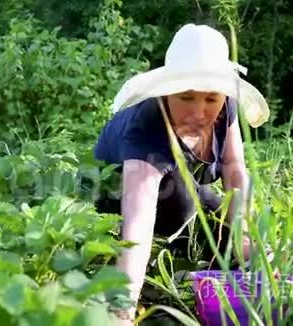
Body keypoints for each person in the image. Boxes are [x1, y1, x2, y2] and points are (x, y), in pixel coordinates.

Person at [92, 24, 270, 324]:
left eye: (210, 99)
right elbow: (139, 219)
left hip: (182, 190)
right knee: (182, 201)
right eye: (186, 97)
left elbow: (234, 169)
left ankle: (215, 277)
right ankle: (167, 265)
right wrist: (121, 311)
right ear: (167, 90)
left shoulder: (225, 105)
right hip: (113, 197)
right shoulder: (144, 129)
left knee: (250, 243)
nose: (199, 111)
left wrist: (244, 234)